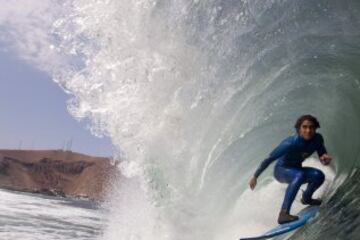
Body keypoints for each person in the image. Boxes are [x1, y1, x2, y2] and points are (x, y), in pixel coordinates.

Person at [248, 115, 332, 224]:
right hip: (281, 170)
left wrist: (325, 159)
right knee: (300, 175)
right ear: (299, 129)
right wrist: (255, 176)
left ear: (315, 128)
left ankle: (306, 198)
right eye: (304, 127)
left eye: (311, 127)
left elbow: (322, 157)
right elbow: (269, 158)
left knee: (319, 175)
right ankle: (283, 213)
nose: (308, 130)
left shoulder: (318, 139)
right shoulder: (290, 143)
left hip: (297, 169)